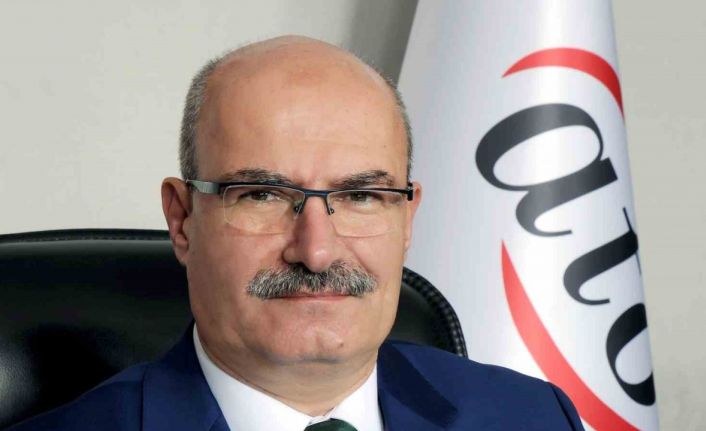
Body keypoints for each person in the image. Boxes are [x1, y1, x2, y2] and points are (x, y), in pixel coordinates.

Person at [8, 36, 584, 431]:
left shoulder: (532, 416)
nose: (316, 250)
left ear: (407, 219)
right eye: (263, 195)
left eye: (361, 196)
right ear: (182, 220)